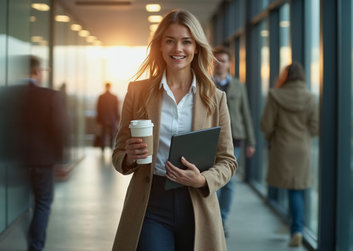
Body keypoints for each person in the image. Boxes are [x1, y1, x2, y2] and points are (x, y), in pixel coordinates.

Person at [112, 9, 237, 251]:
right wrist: (129, 156)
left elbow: (228, 161)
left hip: (197, 203)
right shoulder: (138, 92)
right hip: (151, 202)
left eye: (186, 42)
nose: (177, 48)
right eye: (170, 40)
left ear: (197, 47)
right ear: (160, 46)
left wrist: (202, 179)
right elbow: (118, 155)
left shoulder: (215, 98)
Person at [260, 62, 319, 247]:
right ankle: (296, 227)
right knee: (298, 188)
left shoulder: (275, 95)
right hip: (302, 148)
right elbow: (316, 127)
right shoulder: (311, 97)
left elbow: (266, 125)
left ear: (285, 76)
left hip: (282, 147)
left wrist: (273, 136)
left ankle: (296, 229)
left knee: (289, 188)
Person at [23, 55, 69, 251]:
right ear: (36, 72)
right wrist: (60, 160)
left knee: (22, 206)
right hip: (42, 161)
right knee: (42, 204)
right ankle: (35, 247)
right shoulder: (49, 96)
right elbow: (59, 128)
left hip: (15, 162)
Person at [213, 47, 256, 237]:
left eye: (223, 60)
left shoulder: (239, 86)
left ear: (229, 63)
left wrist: (252, 141)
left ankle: (222, 220)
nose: (220, 63)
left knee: (229, 182)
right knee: (213, 180)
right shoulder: (205, 83)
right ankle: (212, 220)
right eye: (216, 60)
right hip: (211, 138)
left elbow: (246, 114)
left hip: (235, 138)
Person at [96, 82, 120, 151]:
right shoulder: (114, 97)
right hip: (112, 118)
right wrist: (117, 118)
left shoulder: (101, 97)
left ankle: (102, 148)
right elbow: (116, 109)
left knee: (103, 134)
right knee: (111, 134)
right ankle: (110, 147)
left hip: (103, 119)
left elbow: (98, 109)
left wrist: (98, 119)